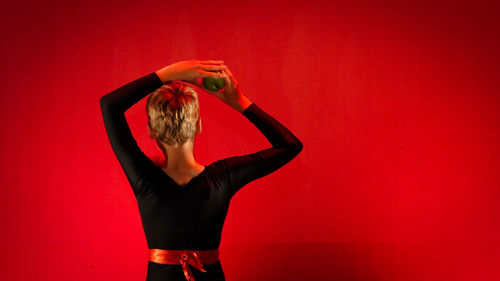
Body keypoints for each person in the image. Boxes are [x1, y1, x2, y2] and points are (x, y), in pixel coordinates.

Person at [99, 59, 303, 281]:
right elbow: (290, 145)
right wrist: (239, 102)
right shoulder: (223, 177)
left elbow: (109, 105)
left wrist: (170, 73)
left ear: (151, 130)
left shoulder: (144, 178)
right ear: (198, 125)